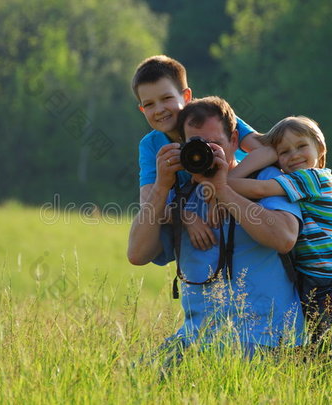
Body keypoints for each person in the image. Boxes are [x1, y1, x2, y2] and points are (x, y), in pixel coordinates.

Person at [127, 97, 304, 362]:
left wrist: (224, 190)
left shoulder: (266, 180)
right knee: (135, 378)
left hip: (267, 339)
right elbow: (137, 254)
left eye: (216, 145)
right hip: (198, 339)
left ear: (234, 140)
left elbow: (285, 238)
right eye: (196, 145)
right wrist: (162, 187)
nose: (205, 153)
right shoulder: (181, 195)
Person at [227, 116, 332, 367]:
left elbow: (258, 189)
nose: (294, 155)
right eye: (284, 152)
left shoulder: (315, 178)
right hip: (316, 280)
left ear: (320, 150)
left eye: (301, 146)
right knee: (327, 352)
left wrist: (220, 184)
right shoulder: (296, 183)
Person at [131, 55, 277, 251]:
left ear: (186, 96)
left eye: (167, 98)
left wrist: (220, 188)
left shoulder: (213, 117)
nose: (159, 109)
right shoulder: (151, 145)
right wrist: (185, 216)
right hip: (196, 211)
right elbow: (148, 202)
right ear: (141, 109)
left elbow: (268, 150)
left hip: (242, 194)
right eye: (149, 104)